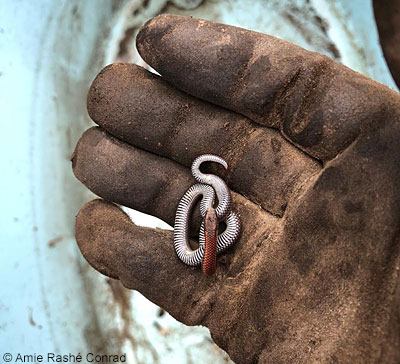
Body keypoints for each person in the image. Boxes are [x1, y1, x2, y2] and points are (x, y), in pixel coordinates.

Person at [72, 14, 400, 364]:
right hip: (207, 230)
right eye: (213, 217)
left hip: (209, 231)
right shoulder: (214, 220)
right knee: (203, 192)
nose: (212, 216)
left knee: (204, 194)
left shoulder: (217, 224)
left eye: (212, 217)